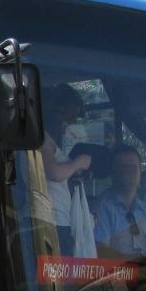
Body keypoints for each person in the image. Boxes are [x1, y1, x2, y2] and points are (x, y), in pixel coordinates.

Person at [40, 83, 94, 255]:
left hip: (60, 217)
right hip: (49, 219)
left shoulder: (52, 141)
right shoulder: (41, 138)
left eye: (71, 121)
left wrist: (71, 178)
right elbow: (54, 173)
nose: (66, 125)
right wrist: (78, 162)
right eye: (65, 118)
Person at [91, 144, 146, 259]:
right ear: (113, 172)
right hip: (114, 275)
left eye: (133, 167)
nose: (128, 173)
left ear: (141, 171)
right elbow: (100, 251)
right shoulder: (101, 207)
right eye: (122, 167)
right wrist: (134, 263)